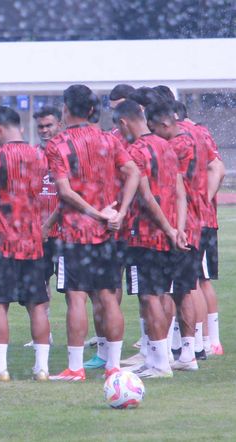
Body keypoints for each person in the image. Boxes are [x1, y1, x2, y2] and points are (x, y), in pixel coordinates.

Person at [46, 84, 140, 381]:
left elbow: (64, 190)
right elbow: (134, 172)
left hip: (75, 233)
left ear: (65, 108)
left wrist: (94, 213)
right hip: (108, 233)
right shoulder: (107, 141)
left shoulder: (58, 144)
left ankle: (75, 368)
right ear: (91, 110)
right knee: (108, 297)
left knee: (76, 298)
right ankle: (113, 364)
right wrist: (120, 212)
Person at [147, 101, 222, 371]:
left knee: (168, 290)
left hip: (179, 224)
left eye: (153, 128)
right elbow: (217, 168)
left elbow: (173, 188)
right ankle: (190, 351)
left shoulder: (173, 146)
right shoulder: (197, 136)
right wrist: (205, 200)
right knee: (187, 287)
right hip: (196, 222)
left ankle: (165, 352)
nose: (151, 133)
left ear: (165, 124)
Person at [0, 106, 50, 382]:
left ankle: (0, 369)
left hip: (1, 241)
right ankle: (42, 368)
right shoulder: (38, 156)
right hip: (31, 241)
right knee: (37, 304)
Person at [113, 99, 182, 378]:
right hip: (169, 233)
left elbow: (145, 196)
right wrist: (179, 227)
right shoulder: (166, 146)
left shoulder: (136, 151)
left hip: (145, 235)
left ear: (123, 123)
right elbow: (179, 192)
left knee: (149, 297)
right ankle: (160, 356)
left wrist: (166, 228)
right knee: (163, 294)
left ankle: (159, 364)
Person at [28, 106, 63, 349]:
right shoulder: (31, 155)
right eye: (41, 126)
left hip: (64, 232)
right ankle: (43, 333)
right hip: (37, 232)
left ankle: (85, 339)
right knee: (39, 284)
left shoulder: (66, 152)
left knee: (74, 290)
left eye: (49, 125)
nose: (45, 130)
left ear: (59, 124)